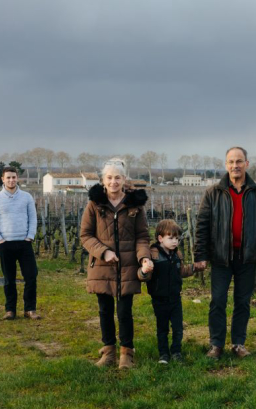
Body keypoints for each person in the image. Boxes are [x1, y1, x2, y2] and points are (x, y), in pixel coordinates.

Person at [194, 146, 256, 360]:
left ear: (246, 164)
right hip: (221, 257)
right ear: (226, 165)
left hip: (247, 257)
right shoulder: (213, 193)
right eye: (231, 162)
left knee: (242, 302)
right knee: (218, 301)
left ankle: (238, 343)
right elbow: (202, 225)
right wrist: (200, 255)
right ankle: (216, 345)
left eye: (239, 161)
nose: (235, 165)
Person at [80, 158, 152, 369]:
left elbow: (142, 236)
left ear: (124, 179)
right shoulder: (94, 204)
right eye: (109, 177)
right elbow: (85, 235)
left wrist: (144, 257)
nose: (113, 181)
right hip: (102, 267)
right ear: (103, 180)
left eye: (117, 177)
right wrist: (104, 252)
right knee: (104, 311)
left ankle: (126, 353)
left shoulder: (135, 206)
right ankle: (108, 351)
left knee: (124, 312)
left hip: (128, 266)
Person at [0, 166, 40, 320]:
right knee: (9, 279)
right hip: (6, 244)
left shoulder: (27, 197)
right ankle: (10, 310)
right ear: (2, 179)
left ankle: (30, 309)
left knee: (31, 277)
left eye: (13, 177)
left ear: (17, 178)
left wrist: (30, 236)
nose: (11, 180)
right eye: (8, 177)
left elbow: (33, 218)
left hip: (24, 243)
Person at [138, 219, 194, 364]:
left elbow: (181, 271)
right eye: (171, 238)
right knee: (162, 328)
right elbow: (144, 276)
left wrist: (194, 268)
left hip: (175, 298)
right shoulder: (153, 256)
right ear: (160, 238)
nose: (175, 241)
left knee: (178, 328)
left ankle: (176, 352)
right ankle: (163, 354)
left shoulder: (177, 255)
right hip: (159, 299)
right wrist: (143, 272)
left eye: (177, 238)